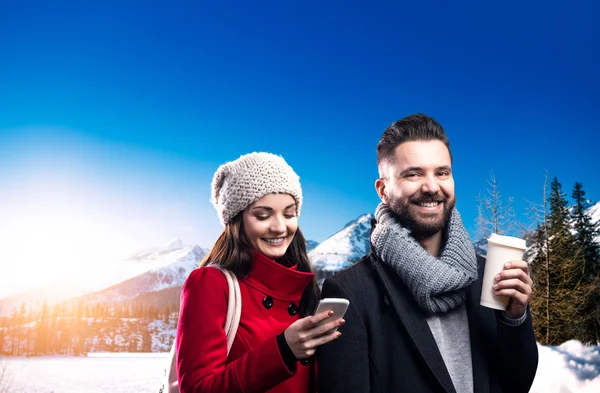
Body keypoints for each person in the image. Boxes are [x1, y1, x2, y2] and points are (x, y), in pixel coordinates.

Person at [317, 114, 539, 393]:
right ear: (383, 190)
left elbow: (516, 384)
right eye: (413, 173)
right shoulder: (351, 291)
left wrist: (514, 318)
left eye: (442, 172)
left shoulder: (487, 276)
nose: (432, 187)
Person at [176, 152, 343, 393]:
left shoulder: (306, 287)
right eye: (262, 216)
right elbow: (198, 389)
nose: (279, 227)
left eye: (289, 214)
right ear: (237, 220)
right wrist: (283, 350)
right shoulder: (210, 283)